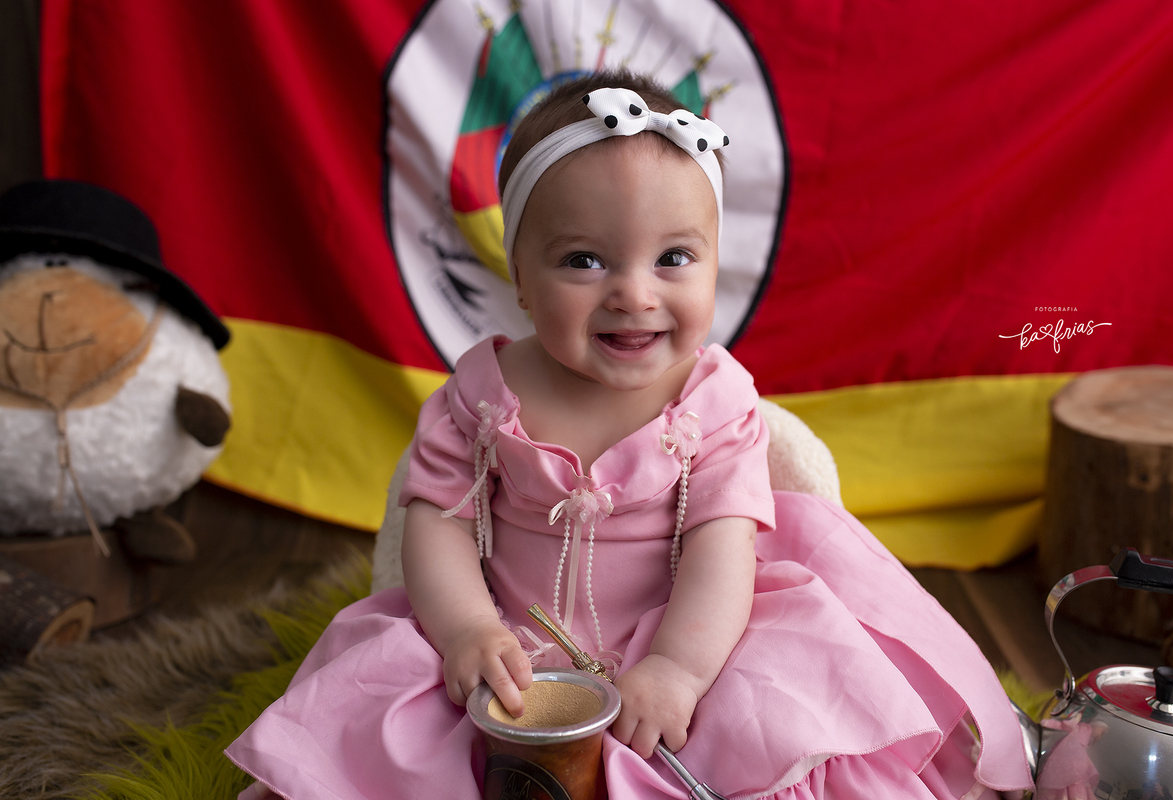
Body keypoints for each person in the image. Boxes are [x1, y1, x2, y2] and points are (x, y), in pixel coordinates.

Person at [226, 70, 1033, 800]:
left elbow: (722, 555)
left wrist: (678, 670)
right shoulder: (482, 398)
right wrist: (468, 628)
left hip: (683, 636)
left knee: (777, 718)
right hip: (516, 649)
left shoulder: (715, 405)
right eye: (583, 261)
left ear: (718, 266)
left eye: (675, 257)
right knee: (386, 717)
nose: (634, 295)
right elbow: (436, 525)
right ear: (519, 275)